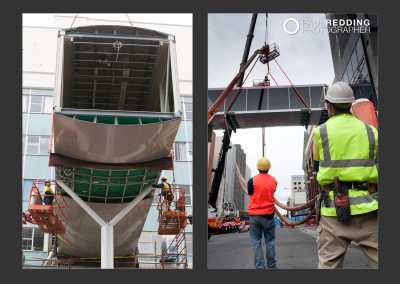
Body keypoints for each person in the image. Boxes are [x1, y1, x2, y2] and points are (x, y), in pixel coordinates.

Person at [313, 82, 378, 269]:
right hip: (369, 207)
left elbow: (318, 167)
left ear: (329, 105)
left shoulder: (320, 132)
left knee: (329, 266)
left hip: (333, 210)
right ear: (351, 104)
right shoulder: (371, 131)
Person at [241, 157, 277, 269]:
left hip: (255, 216)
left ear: (258, 168)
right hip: (268, 216)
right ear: (269, 168)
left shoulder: (252, 181)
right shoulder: (274, 181)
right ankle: (272, 266)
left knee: (256, 242)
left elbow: (250, 192)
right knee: (270, 242)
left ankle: (260, 267)